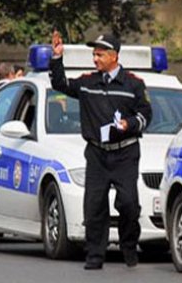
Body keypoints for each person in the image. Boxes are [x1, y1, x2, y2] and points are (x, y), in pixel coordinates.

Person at [49, 31, 152, 270]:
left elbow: (146, 115)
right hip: (97, 153)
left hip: (125, 152)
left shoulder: (133, 84)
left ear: (114, 56)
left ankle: (128, 244)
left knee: (128, 203)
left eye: (100, 54)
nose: (95, 59)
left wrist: (130, 124)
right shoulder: (87, 82)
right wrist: (57, 58)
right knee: (94, 206)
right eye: (94, 54)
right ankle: (95, 255)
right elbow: (60, 84)